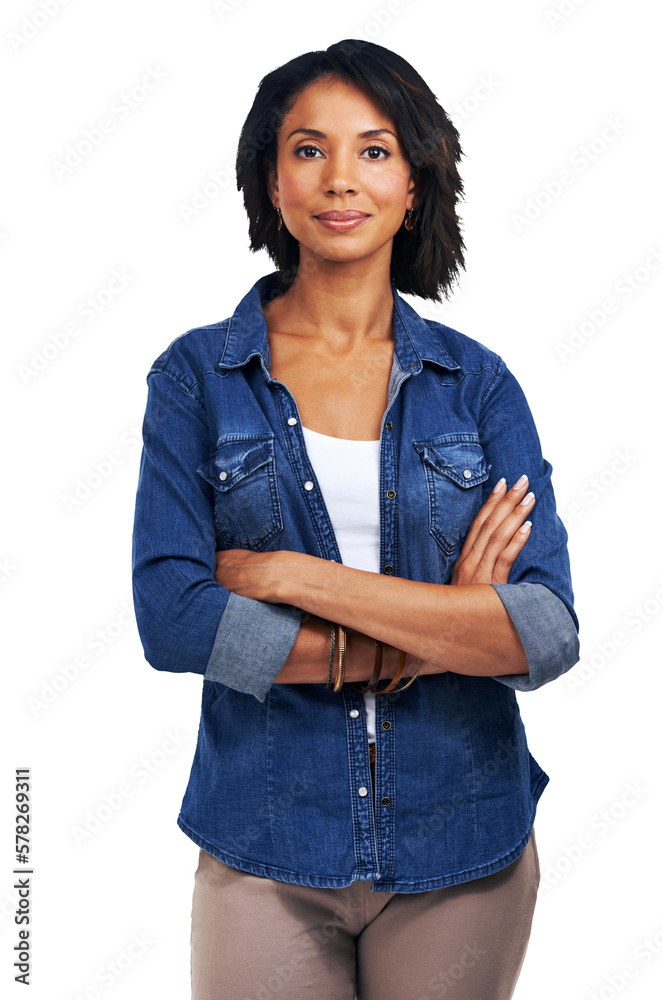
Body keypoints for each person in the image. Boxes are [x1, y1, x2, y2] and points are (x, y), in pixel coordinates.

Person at [131, 39, 580, 1000]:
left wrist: (295, 579)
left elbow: (541, 633)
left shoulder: (478, 385)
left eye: (374, 151)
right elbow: (174, 620)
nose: (341, 179)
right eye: (308, 149)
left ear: (413, 184)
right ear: (271, 181)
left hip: (466, 842)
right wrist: (442, 628)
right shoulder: (196, 380)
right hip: (264, 840)